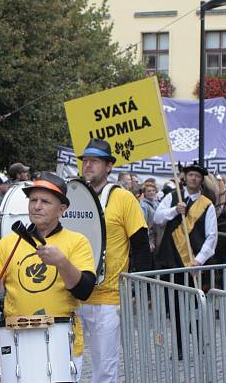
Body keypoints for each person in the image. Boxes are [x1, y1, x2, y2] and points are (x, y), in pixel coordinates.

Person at [0, 172, 95, 373]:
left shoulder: (77, 242)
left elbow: (84, 290)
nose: (37, 206)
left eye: (45, 201)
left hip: (61, 340)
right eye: (33, 200)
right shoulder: (10, 241)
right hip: (16, 339)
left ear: (62, 209)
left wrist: (62, 263)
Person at [77, 138, 151, 383]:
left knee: (104, 368)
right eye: (85, 160)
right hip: (71, 295)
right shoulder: (73, 196)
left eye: (95, 161)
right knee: (68, 363)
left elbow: (141, 245)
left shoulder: (124, 198)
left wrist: (138, 288)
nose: (88, 165)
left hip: (108, 297)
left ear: (108, 166)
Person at [153, 163, 218, 358]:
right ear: (185, 177)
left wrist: (198, 260)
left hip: (192, 264)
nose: (194, 179)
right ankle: (180, 347)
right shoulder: (173, 197)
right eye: (191, 175)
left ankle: (199, 344)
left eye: (197, 176)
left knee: (194, 306)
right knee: (174, 307)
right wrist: (174, 210)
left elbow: (212, 236)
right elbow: (157, 218)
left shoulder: (207, 204)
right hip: (170, 261)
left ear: (201, 181)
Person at [139, 181, 160, 251]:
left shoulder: (157, 203)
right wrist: (149, 241)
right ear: (144, 193)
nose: (152, 192)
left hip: (158, 235)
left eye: (153, 190)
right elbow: (143, 223)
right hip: (150, 237)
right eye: (149, 191)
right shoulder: (143, 205)